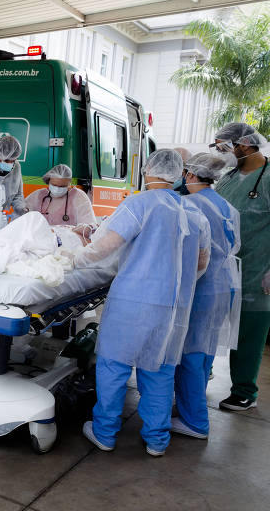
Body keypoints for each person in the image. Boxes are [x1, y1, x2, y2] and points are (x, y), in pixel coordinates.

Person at [70, 149, 209, 457]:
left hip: (134, 302)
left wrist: (70, 260)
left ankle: (104, 432)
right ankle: (157, 440)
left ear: (148, 169)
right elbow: (202, 263)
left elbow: (103, 248)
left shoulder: (138, 204)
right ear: (176, 174)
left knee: (114, 365)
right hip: (174, 308)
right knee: (159, 370)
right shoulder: (195, 213)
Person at [173, 153, 241, 439]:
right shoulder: (227, 206)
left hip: (203, 285)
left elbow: (185, 251)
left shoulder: (188, 205)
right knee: (204, 351)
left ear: (189, 174)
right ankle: (191, 407)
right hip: (224, 284)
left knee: (190, 352)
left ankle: (195, 422)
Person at [213, 122, 270, 411]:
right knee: (211, 323)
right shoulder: (227, 178)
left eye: (225, 147)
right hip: (221, 268)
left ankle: (245, 390)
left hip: (257, 272)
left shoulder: (268, 177)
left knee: (248, 332)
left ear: (245, 145)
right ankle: (201, 372)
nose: (222, 154)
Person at [25, 164, 97, 227]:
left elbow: (89, 224)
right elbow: (21, 216)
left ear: (69, 183)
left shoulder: (78, 197)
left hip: (67, 240)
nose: (57, 189)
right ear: (48, 181)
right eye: (54, 185)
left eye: (62, 186)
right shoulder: (39, 195)